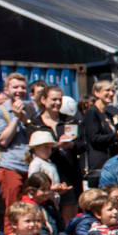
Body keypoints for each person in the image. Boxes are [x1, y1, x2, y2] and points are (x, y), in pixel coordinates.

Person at [0, 73, 37, 230]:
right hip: (10, 165)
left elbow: (35, 136)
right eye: (15, 87)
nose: (19, 90)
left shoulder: (30, 110)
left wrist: (26, 120)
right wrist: (16, 118)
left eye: (23, 87)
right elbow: (3, 140)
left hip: (29, 166)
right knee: (13, 208)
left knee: (29, 207)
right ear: (6, 90)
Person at [30, 85, 84, 221]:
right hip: (47, 174)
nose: (58, 103)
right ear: (43, 100)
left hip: (69, 173)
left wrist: (71, 145)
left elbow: (84, 144)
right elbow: (33, 146)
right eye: (54, 100)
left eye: (60, 100)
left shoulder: (70, 120)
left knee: (70, 216)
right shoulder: (35, 123)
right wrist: (54, 146)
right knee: (48, 215)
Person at [81, 80, 118, 187]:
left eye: (113, 91)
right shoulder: (92, 112)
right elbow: (94, 138)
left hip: (111, 161)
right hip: (98, 164)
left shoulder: (108, 114)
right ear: (96, 93)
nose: (111, 94)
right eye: (107, 90)